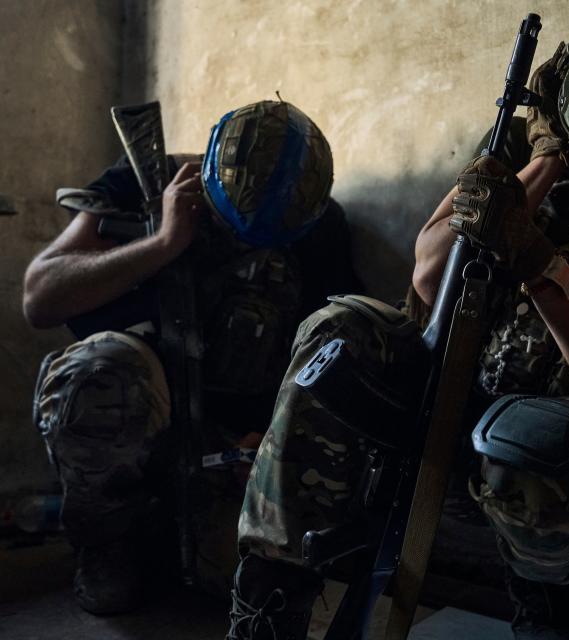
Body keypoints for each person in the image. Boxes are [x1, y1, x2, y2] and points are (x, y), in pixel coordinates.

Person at [225, 3, 569, 639]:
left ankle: (547, 613)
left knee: (533, 441)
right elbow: (430, 273)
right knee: (338, 329)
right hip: (452, 383)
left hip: (560, 438)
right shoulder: (537, 139)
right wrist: (550, 158)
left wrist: (538, 263)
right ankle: (268, 599)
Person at [24, 100, 360, 615]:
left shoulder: (319, 223)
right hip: (138, 422)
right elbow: (41, 297)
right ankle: (106, 540)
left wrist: (273, 437)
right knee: (100, 374)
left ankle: (162, 529)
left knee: (238, 586)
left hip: (232, 451)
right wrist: (163, 243)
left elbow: (327, 354)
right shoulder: (146, 180)